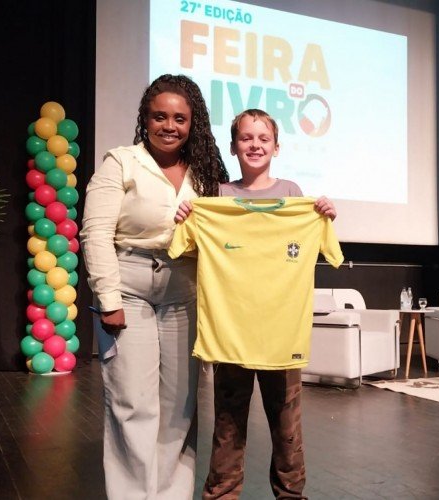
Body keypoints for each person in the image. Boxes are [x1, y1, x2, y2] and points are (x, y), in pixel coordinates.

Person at [173, 109, 338, 499]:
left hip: (281, 338)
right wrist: (186, 218)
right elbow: (189, 249)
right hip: (233, 335)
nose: (255, 145)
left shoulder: (295, 195)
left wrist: (325, 218)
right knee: (228, 426)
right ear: (233, 146)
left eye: (263, 138)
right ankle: (222, 494)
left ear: (276, 147)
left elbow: (316, 251)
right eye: (246, 138)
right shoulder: (218, 198)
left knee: (287, 429)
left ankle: (292, 495)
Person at [81, 74, 229, 499]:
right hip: (128, 289)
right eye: (159, 116)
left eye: (179, 118)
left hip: (185, 292)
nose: (169, 125)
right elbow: (95, 233)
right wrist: (108, 300)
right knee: (132, 404)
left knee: (180, 408)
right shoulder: (122, 162)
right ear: (145, 119)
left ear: (192, 123)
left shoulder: (206, 172)